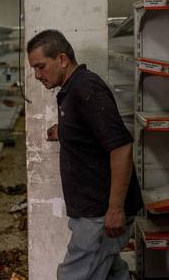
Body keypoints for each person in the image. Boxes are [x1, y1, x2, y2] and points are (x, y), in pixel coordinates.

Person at [27, 29, 144, 280]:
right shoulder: (72, 88)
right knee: (111, 273)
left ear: (61, 59)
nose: (37, 75)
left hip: (100, 213)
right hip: (92, 211)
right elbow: (94, 131)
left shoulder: (86, 89)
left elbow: (121, 146)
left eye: (40, 67)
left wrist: (115, 209)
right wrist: (66, 131)